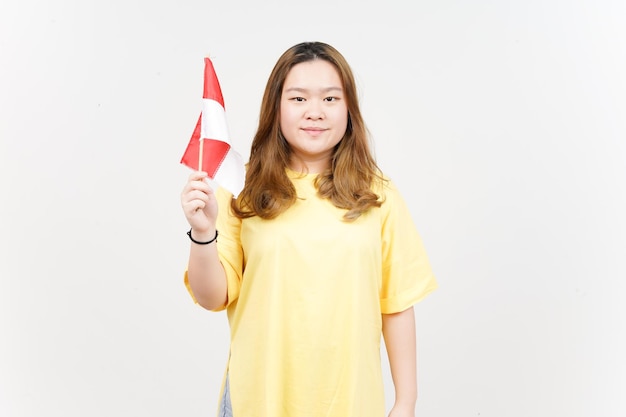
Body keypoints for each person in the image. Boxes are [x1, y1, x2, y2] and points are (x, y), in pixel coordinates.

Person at [180, 41, 437, 417]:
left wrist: (406, 401)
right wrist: (202, 233)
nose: (314, 112)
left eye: (330, 99)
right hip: (257, 401)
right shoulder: (242, 187)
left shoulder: (377, 195)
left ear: (349, 108)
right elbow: (212, 297)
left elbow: (396, 305)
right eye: (298, 99)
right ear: (276, 107)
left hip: (350, 403)